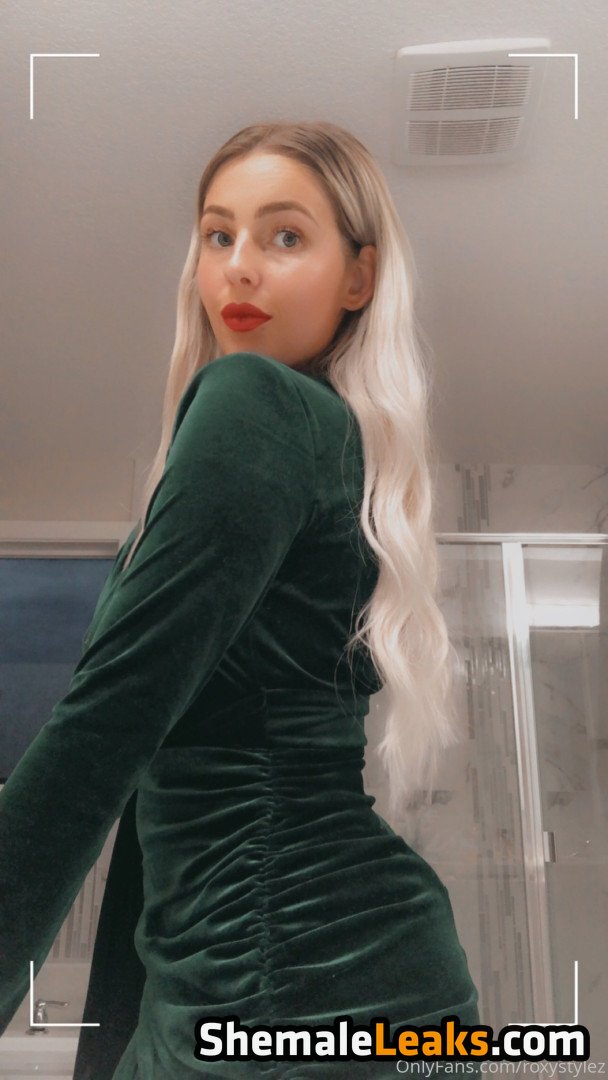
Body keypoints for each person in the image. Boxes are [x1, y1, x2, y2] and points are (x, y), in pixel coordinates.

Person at [0, 120, 481, 1078]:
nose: (239, 267)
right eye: (218, 235)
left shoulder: (255, 402)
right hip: (298, 960)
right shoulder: (328, 448)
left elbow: (109, 721)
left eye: (284, 235)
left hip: (288, 966)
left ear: (360, 276)